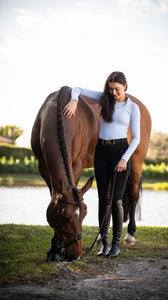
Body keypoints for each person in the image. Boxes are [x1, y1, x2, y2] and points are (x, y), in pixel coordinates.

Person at [63, 71, 140, 258]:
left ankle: (115, 245)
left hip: (120, 151)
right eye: (111, 89)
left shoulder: (133, 108)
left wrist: (124, 158)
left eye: (118, 89)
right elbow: (77, 89)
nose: (114, 93)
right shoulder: (104, 98)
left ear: (126, 86)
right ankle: (104, 243)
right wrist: (74, 100)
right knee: (103, 200)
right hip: (101, 151)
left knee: (116, 200)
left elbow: (137, 138)